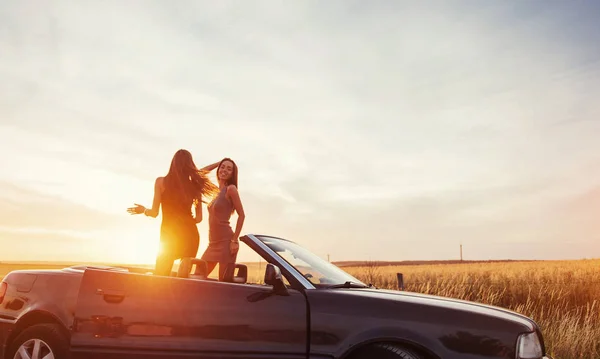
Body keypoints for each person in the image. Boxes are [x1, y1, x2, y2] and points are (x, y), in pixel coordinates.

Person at [127, 149, 219, 276]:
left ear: (173, 163)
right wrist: (219, 163)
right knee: (183, 278)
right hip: (190, 235)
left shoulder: (161, 182)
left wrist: (143, 210)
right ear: (190, 166)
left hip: (169, 236)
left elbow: (154, 213)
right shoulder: (194, 186)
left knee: (160, 277)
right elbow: (198, 219)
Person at [200, 157, 245, 281]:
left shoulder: (231, 189)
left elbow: (242, 215)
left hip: (226, 243)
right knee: (198, 276)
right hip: (212, 243)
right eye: (222, 167)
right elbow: (199, 173)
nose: (224, 170)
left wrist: (234, 240)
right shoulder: (215, 190)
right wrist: (218, 163)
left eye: (229, 169)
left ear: (232, 173)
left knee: (224, 283)